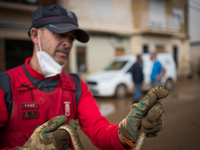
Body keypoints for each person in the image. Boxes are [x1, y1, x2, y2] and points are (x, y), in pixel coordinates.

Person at [0, 4, 169, 150]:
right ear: (35, 35)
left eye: (72, 38)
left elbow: (98, 130)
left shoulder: (76, 85)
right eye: (60, 34)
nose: (68, 43)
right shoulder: (6, 85)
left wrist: (125, 132)